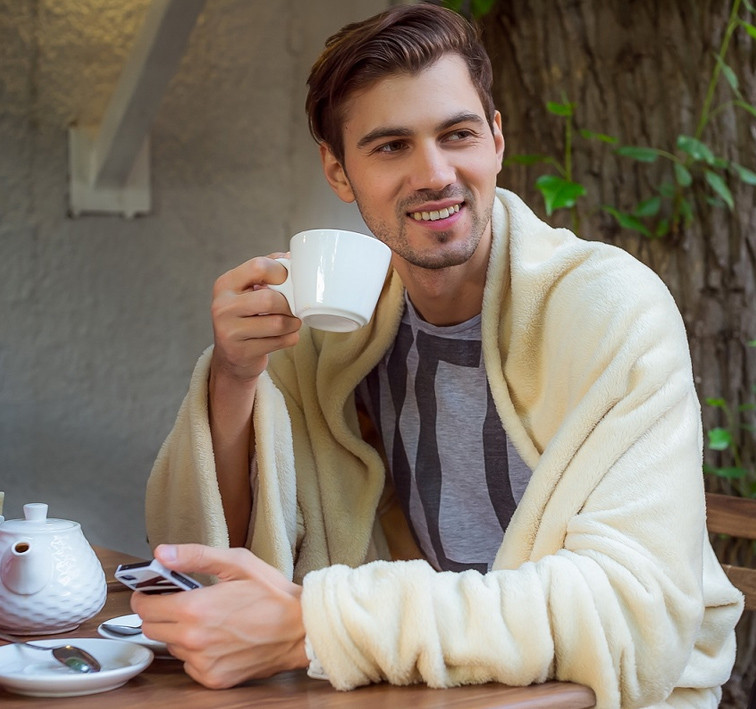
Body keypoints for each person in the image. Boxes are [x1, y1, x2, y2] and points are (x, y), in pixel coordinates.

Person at [136, 5, 743, 707]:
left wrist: (322, 622)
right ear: (338, 170)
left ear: (496, 140)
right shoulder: (334, 332)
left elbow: (632, 615)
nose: (434, 174)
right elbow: (216, 560)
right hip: (426, 686)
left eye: (456, 134)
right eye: (390, 146)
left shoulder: (611, 309)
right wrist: (236, 377)